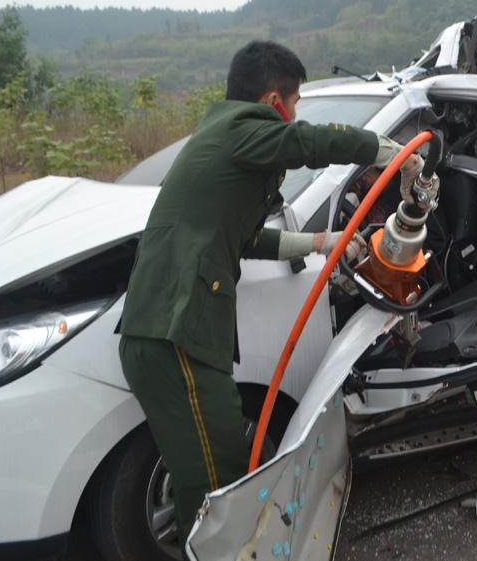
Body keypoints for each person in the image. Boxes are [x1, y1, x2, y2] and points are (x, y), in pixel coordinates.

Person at [117, 40, 433, 548]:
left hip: (173, 334)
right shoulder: (243, 129)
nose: (296, 112)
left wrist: (321, 242)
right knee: (214, 483)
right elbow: (308, 143)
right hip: (177, 334)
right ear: (272, 104)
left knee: (213, 468)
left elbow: (242, 238)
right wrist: (387, 152)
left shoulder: (219, 137)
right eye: (296, 101)